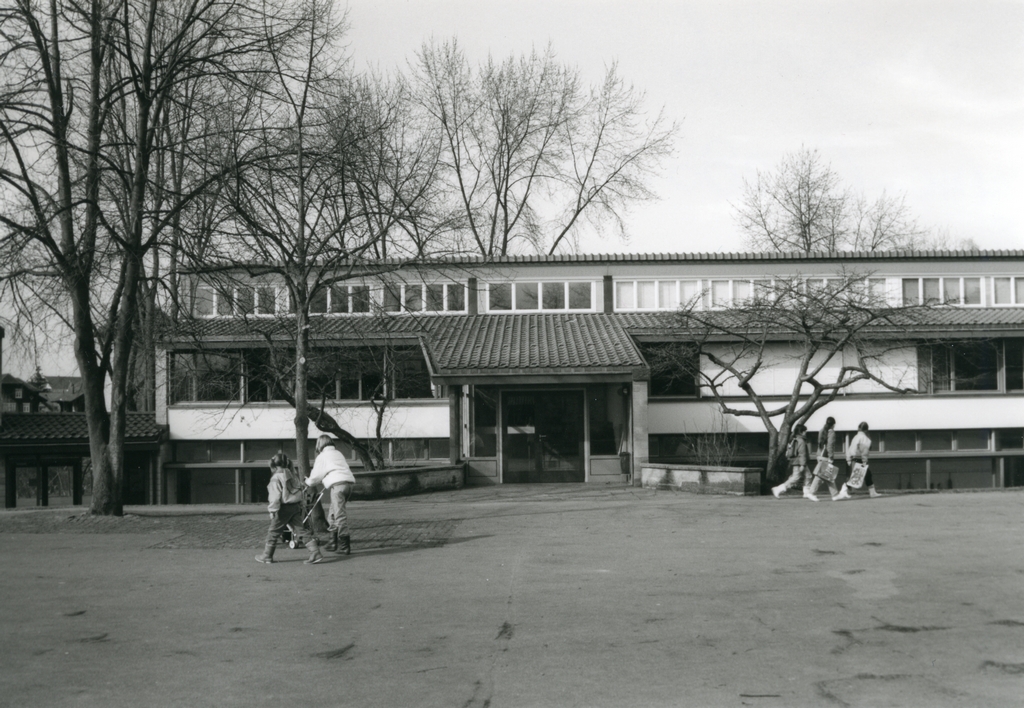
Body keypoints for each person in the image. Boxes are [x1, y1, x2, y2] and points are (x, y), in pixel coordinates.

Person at [255, 452, 323, 564]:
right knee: (300, 529)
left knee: (273, 531)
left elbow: (275, 497)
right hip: (295, 506)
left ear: (273, 465)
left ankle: (267, 555)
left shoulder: (276, 478)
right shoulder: (292, 475)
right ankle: (315, 552)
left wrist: (272, 510)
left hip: (283, 509)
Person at [306, 434, 357, 555]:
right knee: (332, 515)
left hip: (338, 486)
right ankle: (332, 542)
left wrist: (307, 481)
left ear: (320, 444)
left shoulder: (322, 456)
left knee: (339, 516)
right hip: (348, 485)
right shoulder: (338, 453)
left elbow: (315, 477)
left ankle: (344, 546)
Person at [834, 421, 882, 500]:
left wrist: (848, 458)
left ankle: (872, 492)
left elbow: (851, 448)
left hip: (853, 458)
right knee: (857, 478)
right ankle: (844, 488)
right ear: (866, 430)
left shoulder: (856, 437)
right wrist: (864, 461)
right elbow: (864, 452)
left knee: (866, 475)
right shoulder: (865, 439)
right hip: (859, 459)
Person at [771, 424, 811, 499]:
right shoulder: (801, 441)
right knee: (796, 477)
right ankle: (778, 489)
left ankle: (807, 493)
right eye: (805, 431)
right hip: (799, 462)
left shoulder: (794, 439)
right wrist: (802, 464)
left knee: (808, 476)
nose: (806, 433)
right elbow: (802, 453)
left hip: (796, 461)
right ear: (801, 432)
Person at [807, 417, 839, 502]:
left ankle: (835, 494)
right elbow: (830, 446)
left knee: (828, 475)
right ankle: (811, 493)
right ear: (833, 424)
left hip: (819, 455)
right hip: (826, 456)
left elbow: (820, 443)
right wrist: (831, 457)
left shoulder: (822, 430)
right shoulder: (831, 433)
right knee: (820, 476)